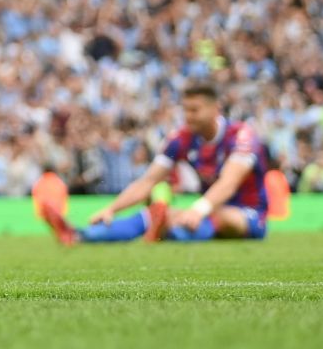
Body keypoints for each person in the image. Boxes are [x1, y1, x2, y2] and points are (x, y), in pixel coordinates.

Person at [41, 82, 271, 245]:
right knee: (154, 213)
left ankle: (167, 232)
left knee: (215, 217)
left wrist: (197, 210)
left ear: (215, 109)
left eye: (195, 110)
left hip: (248, 214)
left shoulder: (241, 135)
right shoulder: (181, 138)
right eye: (185, 110)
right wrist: (112, 208)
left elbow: (228, 184)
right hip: (205, 210)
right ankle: (80, 235)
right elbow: (148, 181)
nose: (188, 116)